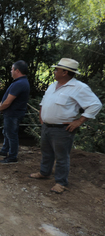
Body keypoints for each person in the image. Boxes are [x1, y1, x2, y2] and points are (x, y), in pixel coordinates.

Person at [29, 58, 102, 194]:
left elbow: (95, 105)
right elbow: (44, 102)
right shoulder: (53, 85)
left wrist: (79, 121)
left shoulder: (79, 88)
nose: (54, 71)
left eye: (57, 69)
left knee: (62, 157)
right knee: (46, 153)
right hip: (47, 127)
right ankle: (44, 173)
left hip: (62, 130)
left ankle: (61, 182)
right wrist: (42, 116)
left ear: (64, 72)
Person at [0, 60, 30, 164]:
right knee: (7, 132)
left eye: (12, 69)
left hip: (13, 114)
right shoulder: (19, 82)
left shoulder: (20, 83)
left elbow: (8, 101)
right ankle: (5, 150)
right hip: (11, 113)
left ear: (17, 71)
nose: (11, 71)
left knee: (11, 134)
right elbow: (6, 98)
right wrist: (0, 105)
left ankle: (12, 157)